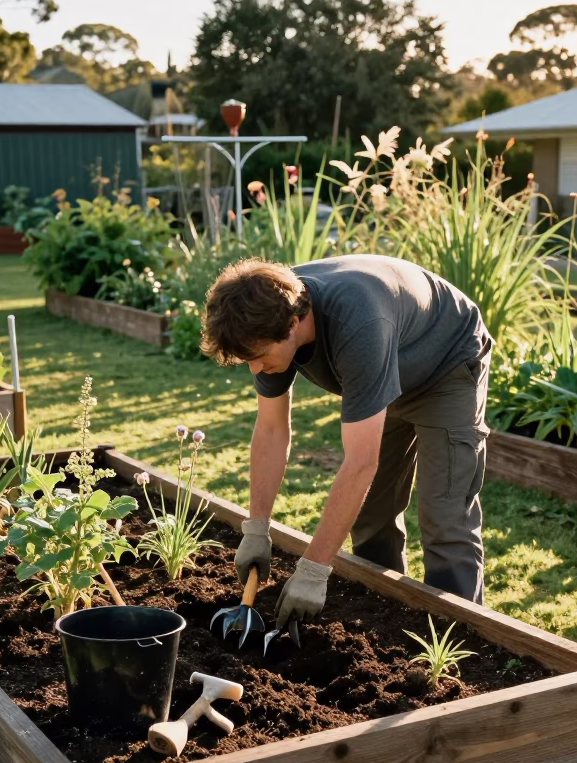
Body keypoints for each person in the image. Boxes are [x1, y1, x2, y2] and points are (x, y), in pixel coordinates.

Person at [201, 254, 493, 628]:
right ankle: (383, 628)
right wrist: (256, 527)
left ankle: (455, 644)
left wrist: (314, 569)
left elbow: (360, 462)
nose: (256, 369)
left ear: (294, 324)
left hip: (445, 362)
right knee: (372, 517)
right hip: (384, 368)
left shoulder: (357, 322)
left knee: (445, 519)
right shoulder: (267, 317)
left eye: (258, 357)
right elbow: (272, 430)